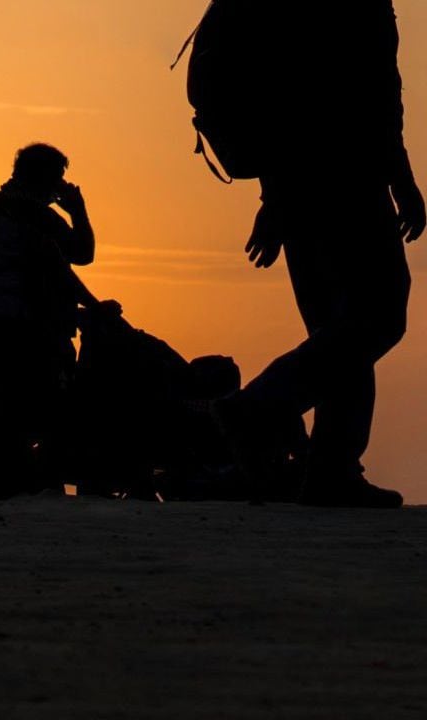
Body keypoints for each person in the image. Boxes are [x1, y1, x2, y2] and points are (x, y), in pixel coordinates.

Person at [213, 1, 424, 508]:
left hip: (297, 190)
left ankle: (332, 471)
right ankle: (257, 409)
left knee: (339, 332)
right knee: (378, 315)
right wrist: (403, 181)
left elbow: (286, 103)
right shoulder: (356, 8)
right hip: (345, 184)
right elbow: (369, 100)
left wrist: (275, 200)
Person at [0, 143, 104, 496]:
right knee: (48, 404)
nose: (60, 188)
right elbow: (80, 256)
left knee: (8, 402)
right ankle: (33, 485)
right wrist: (78, 210)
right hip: (21, 327)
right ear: (45, 178)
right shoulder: (33, 214)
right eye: (58, 179)